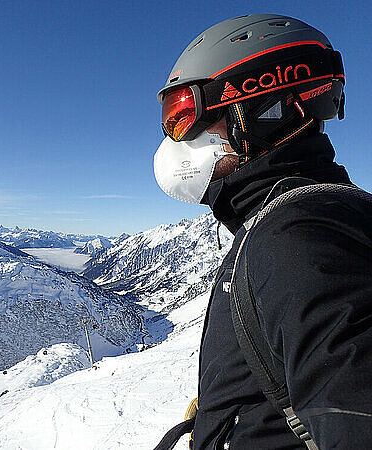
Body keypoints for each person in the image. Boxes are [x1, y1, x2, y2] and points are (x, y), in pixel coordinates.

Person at [152, 14, 372, 449]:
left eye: (184, 114)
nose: (175, 139)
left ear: (259, 110)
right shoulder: (290, 221)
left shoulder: (300, 241)